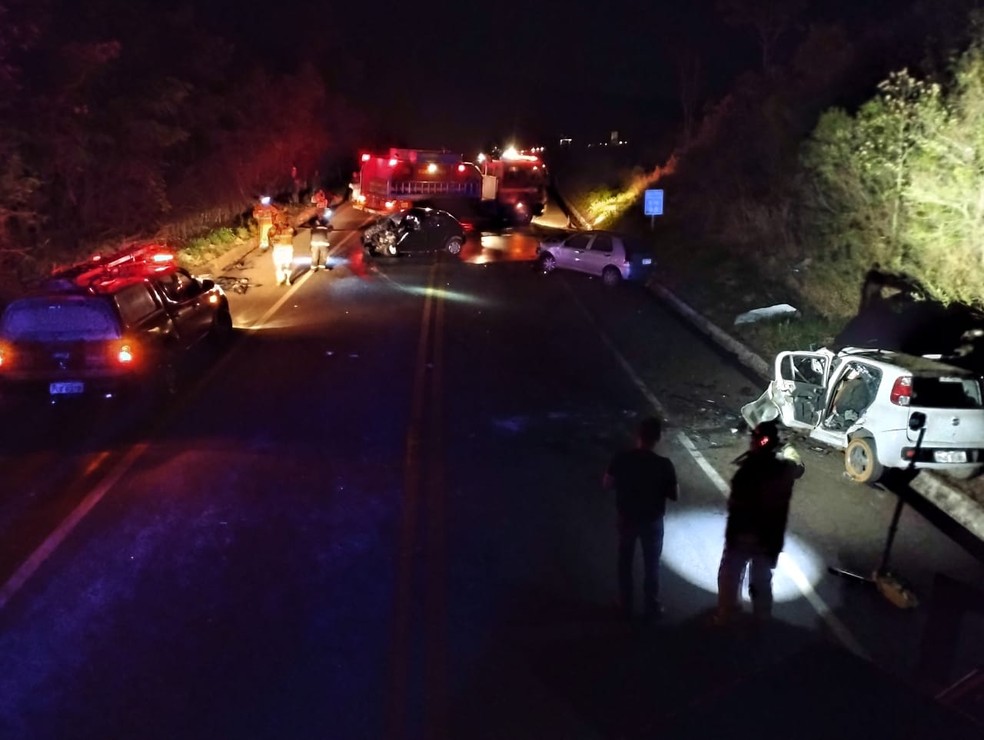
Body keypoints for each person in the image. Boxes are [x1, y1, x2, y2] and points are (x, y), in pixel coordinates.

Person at [715, 420, 805, 625]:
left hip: (742, 535)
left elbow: (734, 506)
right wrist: (788, 447)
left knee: (730, 576)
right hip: (768, 537)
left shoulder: (745, 472)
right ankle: (761, 618)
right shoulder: (784, 470)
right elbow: (797, 465)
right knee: (761, 580)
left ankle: (727, 615)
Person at [603, 416, 679, 620]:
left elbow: (607, 484)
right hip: (652, 520)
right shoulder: (664, 465)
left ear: (638, 435)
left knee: (625, 562)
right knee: (652, 564)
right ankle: (651, 605)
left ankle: (624, 602)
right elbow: (674, 495)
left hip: (627, 517)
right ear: (658, 438)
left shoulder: (621, 458)